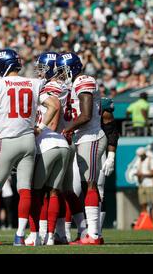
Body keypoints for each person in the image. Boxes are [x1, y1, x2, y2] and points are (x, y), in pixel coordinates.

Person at [0, 49, 45, 246]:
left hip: (7, 140)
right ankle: (19, 235)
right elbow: (51, 106)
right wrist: (40, 127)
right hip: (28, 140)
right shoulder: (35, 83)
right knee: (24, 189)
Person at [56, 52, 108, 245]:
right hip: (83, 138)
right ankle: (91, 233)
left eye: (63, 70)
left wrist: (67, 129)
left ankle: (94, 235)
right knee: (87, 185)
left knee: (91, 184)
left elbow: (85, 115)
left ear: (73, 68)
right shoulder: (76, 83)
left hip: (91, 137)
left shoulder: (84, 80)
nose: (61, 75)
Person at [27, 52, 69, 246]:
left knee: (35, 192)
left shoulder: (49, 87)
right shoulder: (63, 85)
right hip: (63, 142)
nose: (40, 72)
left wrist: (40, 129)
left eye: (43, 68)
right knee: (54, 192)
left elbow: (54, 110)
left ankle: (38, 233)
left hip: (47, 142)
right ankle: (52, 235)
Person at [98, 97, 120, 236]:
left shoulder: (102, 105)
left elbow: (112, 132)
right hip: (74, 147)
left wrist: (111, 157)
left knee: (98, 191)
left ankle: (95, 232)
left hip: (96, 148)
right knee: (71, 191)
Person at [133, 147, 153, 220]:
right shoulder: (138, 161)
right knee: (143, 204)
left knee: (152, 204)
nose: (140, 157)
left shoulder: (151, 160)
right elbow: (137, 170)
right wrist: (138, 175)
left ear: (144, 153)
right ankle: (146, 222)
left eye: (141, 155)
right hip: (141, 185)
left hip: (150, 184)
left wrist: (143, 175)